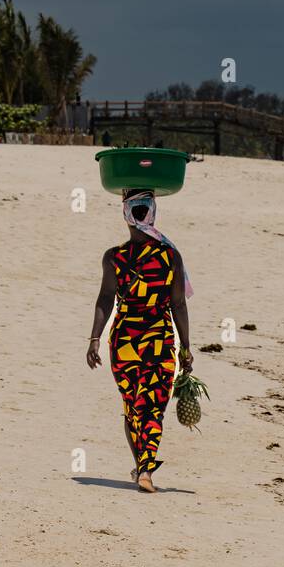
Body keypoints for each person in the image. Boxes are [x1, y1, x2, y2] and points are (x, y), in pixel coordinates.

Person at [87, 188, 193, 493]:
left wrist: (95, 338)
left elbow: (105, 298)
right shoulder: (169, 255)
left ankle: (143, 467)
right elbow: (178, 305)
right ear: (153, 213)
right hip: (159, 337)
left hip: (124, 340)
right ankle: (145, 470)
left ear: (126, 215)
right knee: (152, 406)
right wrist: (186, 345)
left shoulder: (114, 257)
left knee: (133, 405)